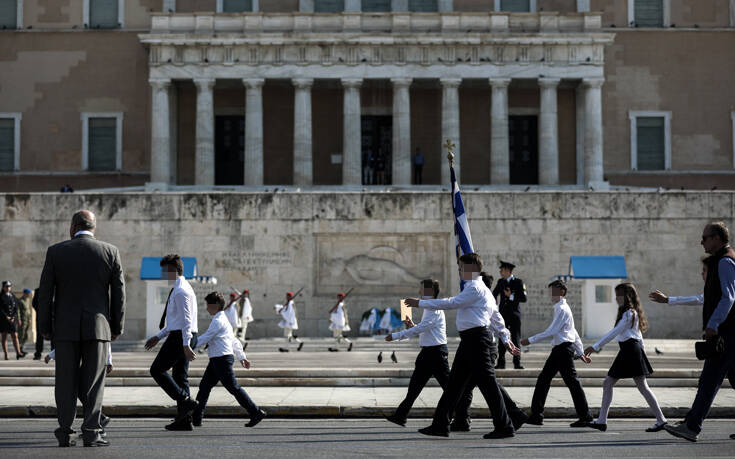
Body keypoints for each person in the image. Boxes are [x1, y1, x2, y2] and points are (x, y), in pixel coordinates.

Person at [405, 253, 521, 440]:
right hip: (470, 341)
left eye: (461, 267)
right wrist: (506, 339)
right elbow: (496, 318)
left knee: (489, 385)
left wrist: (420, 303)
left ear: (471, 269)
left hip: (477, 341)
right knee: (454, 385)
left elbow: (452, 303)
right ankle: (440, 425)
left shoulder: (475, 288)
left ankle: (505, 426)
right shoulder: (480, 288)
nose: (458, 271)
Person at [37, 210, 125, 447]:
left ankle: (65, 432)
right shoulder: (110, 251)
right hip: (98, 328)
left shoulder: (56, 251)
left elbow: (45, 293)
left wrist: (45, 327)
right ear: (94, 227)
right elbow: (118, 294)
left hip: (64, 328)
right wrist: (116, 326)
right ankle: (91, 431)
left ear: (73, 226)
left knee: (65, 381)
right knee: (94, 382)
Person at [665, 221, 735, 442]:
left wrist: (713, 324)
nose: (701, 241)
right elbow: (707, 298)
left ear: (716, 238)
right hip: (732, 333)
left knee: (709, 381)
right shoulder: (722, 261)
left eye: (704, 238)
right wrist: (670, 300)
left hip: (726, 334)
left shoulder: (725, 262)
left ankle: (692, 426)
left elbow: (728, 297)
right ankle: (690, 423)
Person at [450, 272, 528, 433]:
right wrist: (506, 341)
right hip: (482, 346)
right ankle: (461, 420)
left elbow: (499, 324)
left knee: (485, 384)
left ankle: (511, 416)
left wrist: (507, 341)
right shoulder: (485, 299)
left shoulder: (485, 301)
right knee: (470, 385)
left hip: (485, 347)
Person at [584, 283, 667, 433]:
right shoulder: (631, 313)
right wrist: (642, 352)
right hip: (631, 350)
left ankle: (602, 421)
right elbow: (638, 336)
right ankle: (661, 420)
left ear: (626, 296)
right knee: (639, 386)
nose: (616, 298)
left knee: (609, 383)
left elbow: (615, 332)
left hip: (629, 351)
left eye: (618, 295)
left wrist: (595, 347)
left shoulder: (629, 313)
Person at [649, 256, 735, 391]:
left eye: (704, 270)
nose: (702, 274)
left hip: (728, 341)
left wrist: (712, 325)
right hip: (721, 342)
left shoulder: (725, 291)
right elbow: (697, 299)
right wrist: (668, 300)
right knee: (710, 383)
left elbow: (722, 299)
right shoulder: (713, 292)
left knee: (711, 383)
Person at [520, 280, 593, 427]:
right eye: (550, 291)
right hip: (562, 350)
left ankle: (584, 416)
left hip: (563, 350)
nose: (551, 295)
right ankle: (537, 415)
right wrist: (580, 352)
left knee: (567, 382)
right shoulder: (562, 308)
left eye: (554, 291)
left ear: (562, 292)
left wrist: (531, 340)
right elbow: (574, 332)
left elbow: (552, 331)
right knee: (549, 380)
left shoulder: (562, 309)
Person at [191, 292, 266, 428]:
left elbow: (206, 337)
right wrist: (242, 357)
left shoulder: (219, 321)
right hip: (217, 359)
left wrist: (188, 346)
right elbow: (234, 341)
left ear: (216, 306)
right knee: (205, 387)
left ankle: (255, 412)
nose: (207, 308)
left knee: (233, 388)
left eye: (208, 305)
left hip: (222, 359)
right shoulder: (222, 319)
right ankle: (196, 418)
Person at [145, 254, 199, 432]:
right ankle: (185, 420)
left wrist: (185, 344)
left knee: (157, 370)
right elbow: (175, 321)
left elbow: (186, 320)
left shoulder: (181, 290)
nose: (163, 275)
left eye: (164, 272)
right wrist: (158, 336)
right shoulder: (180, 288)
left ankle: (185, 401)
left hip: (181, 337)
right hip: (181, 334)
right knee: (179, 377)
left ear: (173, 270)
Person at [384, 279, 448, 426]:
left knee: (449, 388)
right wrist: (412, 325)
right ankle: (401, 415)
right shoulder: (429, 308)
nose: (419, 292)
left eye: (422, 290)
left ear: (429, 291)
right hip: (428, 353)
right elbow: (425, 329)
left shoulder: (434, 309)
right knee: (414, 387)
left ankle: (462, 415)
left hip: (436, 354)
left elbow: (421, 329)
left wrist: (395, 336)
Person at [45, 343, 113, 434]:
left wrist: (109, 360)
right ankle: (98, 420)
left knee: (84, 391)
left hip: (89, 360)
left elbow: (105, 339)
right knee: (83, 391)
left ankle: (98, 422)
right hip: (83, 359)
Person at [493, 261, 527, 369]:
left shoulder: (518, 282)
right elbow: (493, 294)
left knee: (515, 338)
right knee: (502, 338)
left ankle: (517, 363)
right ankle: (501, 363)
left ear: (507, 270)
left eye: (502, 269)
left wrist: (511, 296)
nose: (500, 271)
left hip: (514, 315)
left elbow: (523, 298)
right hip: (503, 314)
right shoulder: (501, 282)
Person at [0, 281, 24, 360]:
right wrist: (6, 316)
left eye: (9, 286)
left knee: (15, 335)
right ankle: (6, 354)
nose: (8, 288)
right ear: (3, 287)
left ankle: (18, 353)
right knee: (4, 337)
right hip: (4, 320)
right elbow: (1, 309)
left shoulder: (12, 296)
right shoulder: (1, 296)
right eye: (6, 286)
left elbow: (16, 307)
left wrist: (14, 317)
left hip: (12, 319)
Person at [32, 287, 52, 360]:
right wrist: (41, 311)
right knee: (40, 335)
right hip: (41, 316)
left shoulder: (53, 289)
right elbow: (34, 303)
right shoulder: (38, 291)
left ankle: (53, 353)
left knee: (53, 335)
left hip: (51, 316)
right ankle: (38, 353)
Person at [18, 288, 34, 354]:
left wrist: (30, 318)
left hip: (27, 320)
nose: (28, 295)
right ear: (24, 293)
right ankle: (18, 350)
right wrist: (19, 319)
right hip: (22, 320)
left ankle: (21, 348)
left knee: (26, 336)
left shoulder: (27, 300)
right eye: (28, 293)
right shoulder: (20, 301)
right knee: (21, 335)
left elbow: (29, 311)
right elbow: (18, 311)